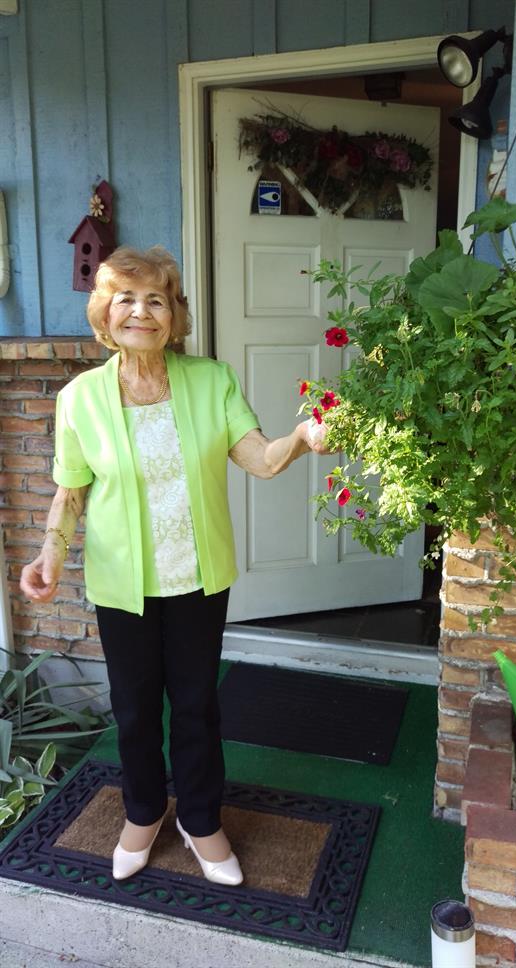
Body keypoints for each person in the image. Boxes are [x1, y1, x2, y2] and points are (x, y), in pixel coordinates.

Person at [19, 246, 329, 886]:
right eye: (126, 299)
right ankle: (142, 812)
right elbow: (71, 490)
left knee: (195, 706)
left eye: (156, 300)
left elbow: (260, 458)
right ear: (105, 313)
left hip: (197, 578)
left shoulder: (212, 381)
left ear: (173, 315)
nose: (141, 311)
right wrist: (50, 553)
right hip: (121, 584)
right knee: (134, 709)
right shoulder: (80, 399)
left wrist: (301, 437)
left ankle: (200, 818)